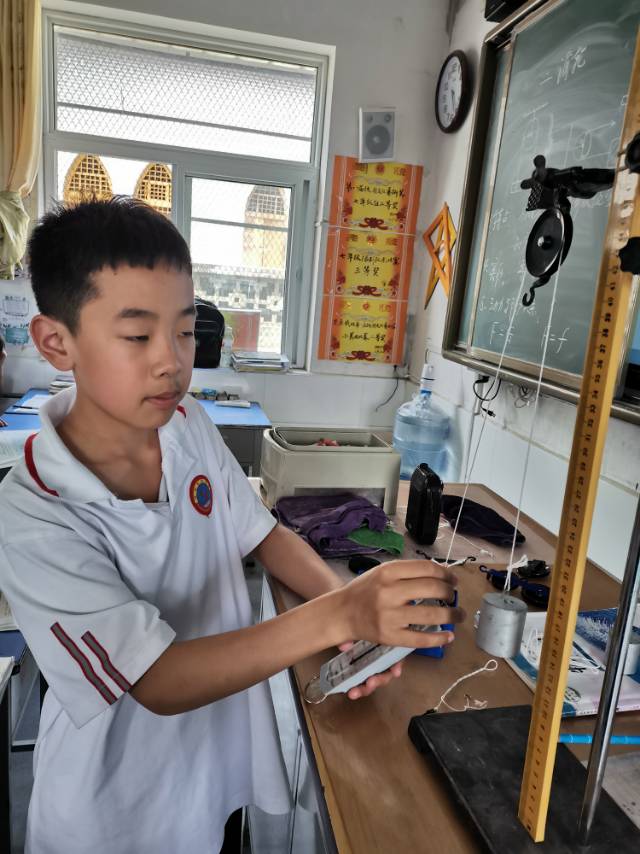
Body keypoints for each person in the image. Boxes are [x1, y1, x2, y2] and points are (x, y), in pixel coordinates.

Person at [0, 198, 463, 854]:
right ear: (56, 342)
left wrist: (350, 621)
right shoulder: (33, 510)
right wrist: (340, 615)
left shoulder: (186, 425)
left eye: (186, 331)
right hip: (115, 815)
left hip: (211, 771)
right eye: (137, 336)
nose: (171, 361)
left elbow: (264, 536)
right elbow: (156, 679)